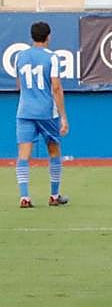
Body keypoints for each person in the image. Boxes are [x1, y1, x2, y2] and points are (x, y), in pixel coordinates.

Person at [14, 21, 68, 208]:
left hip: (24, 111)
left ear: (31, 36)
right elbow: (56, 87)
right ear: (48, 36)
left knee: (23, 154)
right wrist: (63, 116)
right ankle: (54, 195)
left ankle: (24, 197)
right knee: (54, 150)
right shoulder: (52, 57)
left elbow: (19, 85)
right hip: (46, 112)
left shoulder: (20, 56)